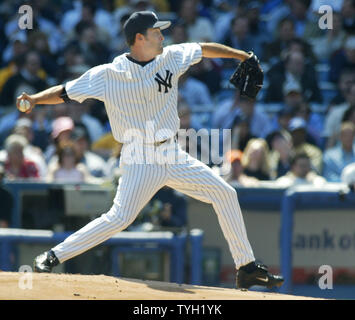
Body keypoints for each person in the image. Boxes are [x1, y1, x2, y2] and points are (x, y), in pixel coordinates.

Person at [17, 11, 283, 289]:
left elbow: (203, 49)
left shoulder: (170, 56)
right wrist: (34, 99)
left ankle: (246, 267)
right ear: (139, 38)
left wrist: (242, 55)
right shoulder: (108, 74)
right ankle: (53, 255)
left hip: (171, 152)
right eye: (156, 31)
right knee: (118, 218)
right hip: (139, 156)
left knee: (225, 193)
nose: (162, 35)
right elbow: (64, 91)